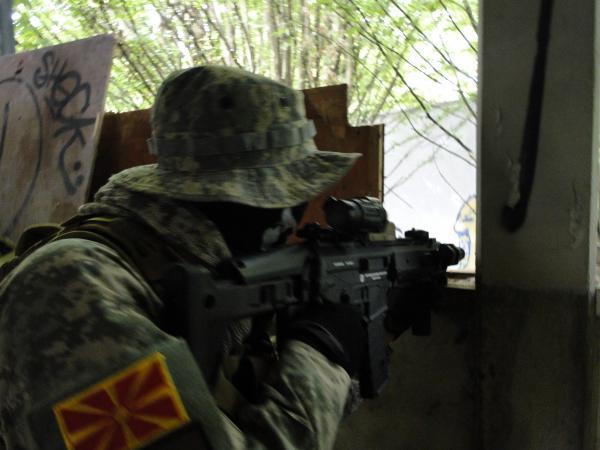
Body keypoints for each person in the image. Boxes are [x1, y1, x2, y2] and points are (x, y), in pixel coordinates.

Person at [0, 65, 367, 449]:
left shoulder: (200, 267)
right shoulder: (71, 290)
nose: (293, 219)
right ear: (225, 197)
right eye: (286, 196)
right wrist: (320, 355)